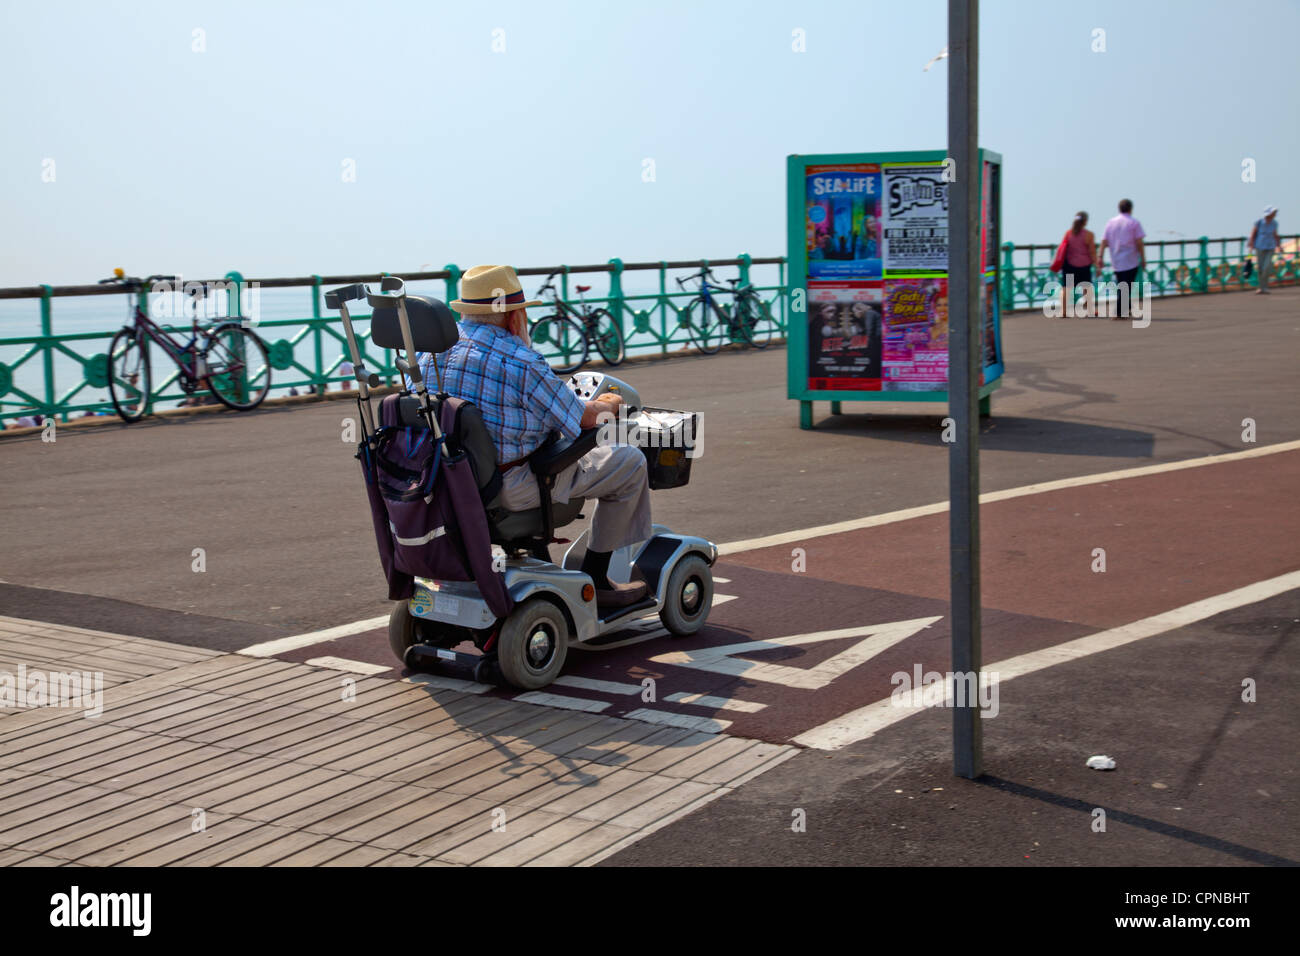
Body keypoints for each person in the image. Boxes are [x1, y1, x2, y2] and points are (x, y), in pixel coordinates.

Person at [423, 264, 651, 610]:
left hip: (447, 483)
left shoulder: (430, 356)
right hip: (513, 489)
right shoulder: (522, 361)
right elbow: (585, 420)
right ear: (515, 317)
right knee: (630, 461)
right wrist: (610, 402)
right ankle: (598, 576)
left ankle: (539, 563)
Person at [1098, 199, 1146, 319]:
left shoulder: (1111, 222)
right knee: (1126, 285)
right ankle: (1119, 312)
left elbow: (1104, 241)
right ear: (1131, 209)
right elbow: (1139, 242)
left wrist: (1100, 256)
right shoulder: (1134, 222)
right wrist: (1143, 258)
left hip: (1116, 259)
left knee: (1122, 284)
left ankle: (1126, 307)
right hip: (1131, 259)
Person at [1058, 212, 1096, 316]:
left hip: (1069, 265)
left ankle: (1063, 311)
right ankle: (1089, 310)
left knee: (1066, 288)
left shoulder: (1068, 233)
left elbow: (1063, 248)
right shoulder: (1089, 235)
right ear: (1085, 221)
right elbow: (1092, 252)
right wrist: (1097, 266)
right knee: (1086, 288)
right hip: (1084, 265)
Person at [1248, 206, 1280, 294]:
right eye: (1273, 212)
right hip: (1259, 246)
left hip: (1270, 246)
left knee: (1266, 267)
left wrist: (1278, 245)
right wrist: (1251, 245)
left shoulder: (1274, 223)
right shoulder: (1259, 222)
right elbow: (1253, 234)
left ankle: (1265, 286)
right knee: (1260, 268)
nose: (1275, 214)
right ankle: (1261, 287)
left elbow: (1275, 234)